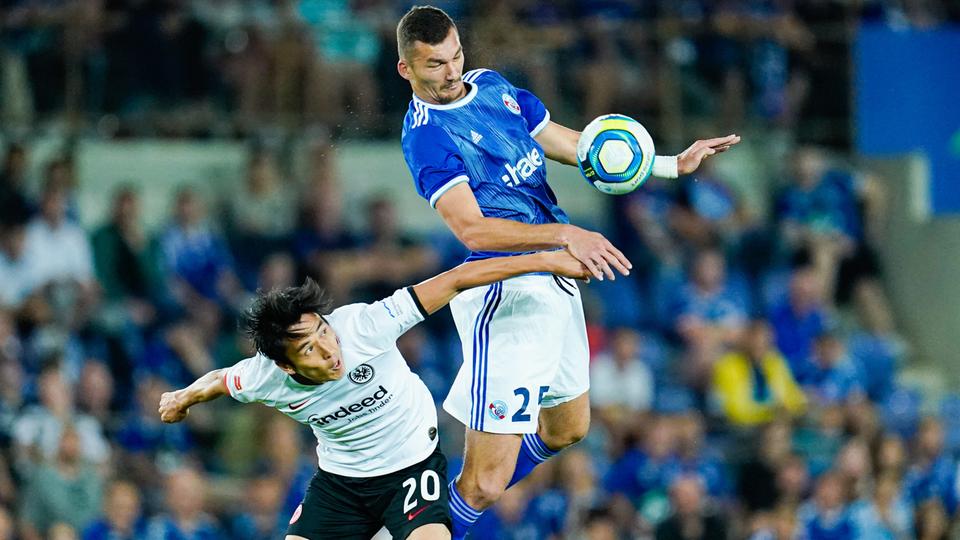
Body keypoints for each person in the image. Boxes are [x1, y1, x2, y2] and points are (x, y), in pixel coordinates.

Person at [395, 6, 740, 537]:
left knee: (567, 428)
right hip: (504, 290)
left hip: (556, 274)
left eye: (457, 55)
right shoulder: (426, 137)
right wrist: (563, 233)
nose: (451, 71)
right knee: (486, 483)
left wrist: (668, 164)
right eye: (435, 64)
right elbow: (473, 231)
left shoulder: (491, 86)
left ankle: (437, 510)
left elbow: (568, 143)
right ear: (407, 70)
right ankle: (421, 527)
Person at [158, 250, 589, 540]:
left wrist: (547, 260)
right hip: (341, 485)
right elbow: (218, 380)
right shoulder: (263, 377)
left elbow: (458, 279)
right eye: (310, 347)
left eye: (324, 330)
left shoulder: (365, 326)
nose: (330, 349)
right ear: (286, 365)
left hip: (411, 469)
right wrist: (182, 398)